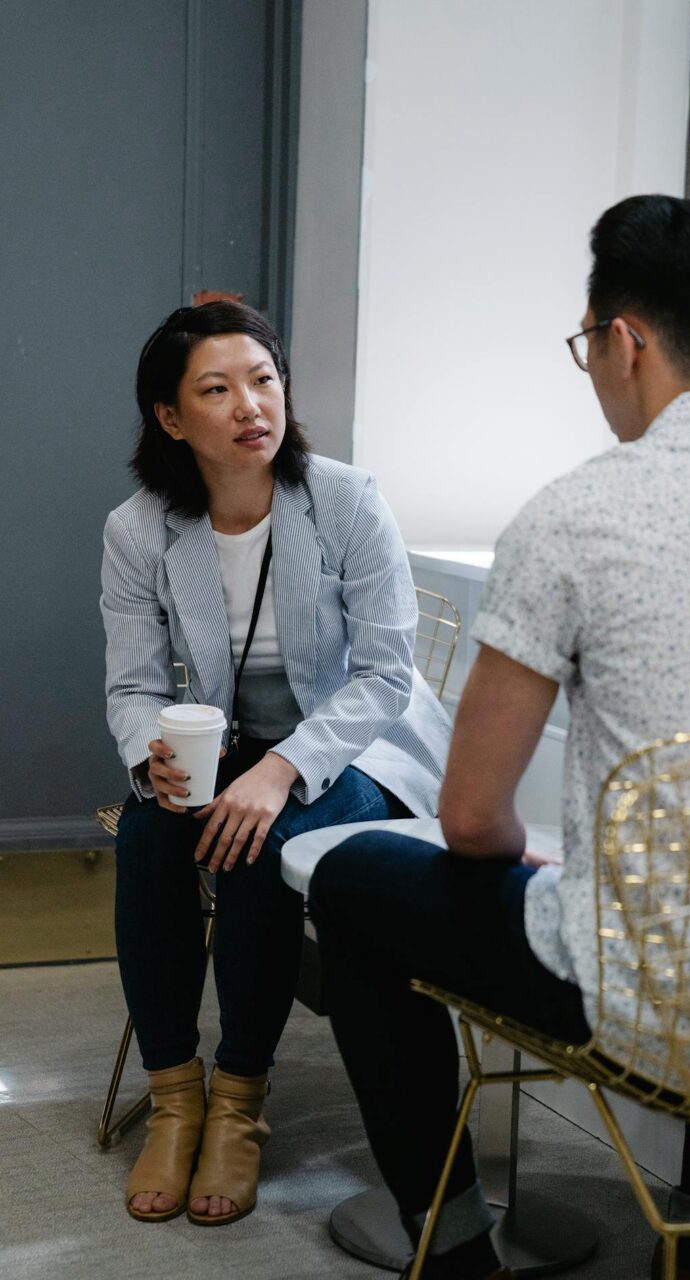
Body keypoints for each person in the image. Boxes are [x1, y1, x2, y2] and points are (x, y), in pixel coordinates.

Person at [307, 194, 690, 1280]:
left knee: (353, 880)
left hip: (653, 1000)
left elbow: (470, 818)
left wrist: (533, 855)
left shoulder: (576, 513)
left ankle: (457, 1245)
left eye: (585, 345)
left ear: (623, 340)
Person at [100, 300, 451, 1226]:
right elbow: (132, 688)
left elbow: (384, 675)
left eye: (264, 380)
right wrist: (152, 762)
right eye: (217, 389)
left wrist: (285, 769)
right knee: (147, 838)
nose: (252, 404)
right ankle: (176, 1101)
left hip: (360, 743)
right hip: (231, 742)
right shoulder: (139, 530)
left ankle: (239, 1105)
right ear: (172, 419)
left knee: (253, 842)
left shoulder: (344, 498)